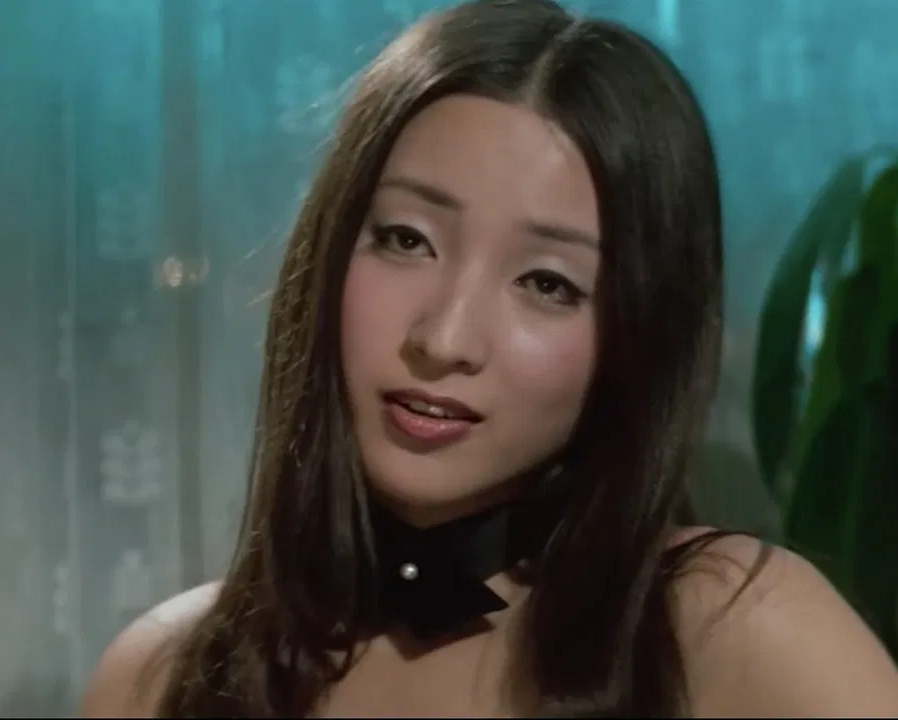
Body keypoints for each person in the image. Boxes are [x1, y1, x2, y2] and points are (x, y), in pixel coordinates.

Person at [83, 0, 898, 716]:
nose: (443, 340)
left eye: (547, 283)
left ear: (639, 335)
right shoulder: (160, 678)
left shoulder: (735, 630)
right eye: (407, 240)